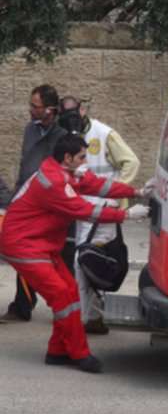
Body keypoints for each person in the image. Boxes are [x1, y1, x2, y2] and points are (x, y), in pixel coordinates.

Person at [0, 134, 151, 373]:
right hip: (24, 245)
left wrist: (136, 191)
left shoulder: (64, 171)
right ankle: (80, 353)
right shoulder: (54, 182)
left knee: (70, 290)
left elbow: (98, 185)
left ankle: (58, 351)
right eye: (82, 157)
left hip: (42, 243)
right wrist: (126, 215)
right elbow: (85, 211)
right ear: (68, 158)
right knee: (62, 294)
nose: (86, 162)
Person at [59, 96, 142, 335]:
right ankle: (93, 318)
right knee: (89, 261)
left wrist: (117, 195)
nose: (71, 120)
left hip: (103, 208)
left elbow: (132, 163)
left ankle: (84, 319)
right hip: (83, 209)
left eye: (74, 114)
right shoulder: (70, 136)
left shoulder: (104, 134)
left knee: (85, 261)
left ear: (83, 110)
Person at [0, 85, 68, 323]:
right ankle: (23, 305)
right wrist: (13, 198)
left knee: (51, 256)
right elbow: (25, 163)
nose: (30, 109)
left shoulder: (62, 133)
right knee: (25, 251)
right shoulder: (30, 129)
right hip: (26, 201)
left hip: (50, 205)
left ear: (50, 109)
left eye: (34, 106)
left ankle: (64, 303)